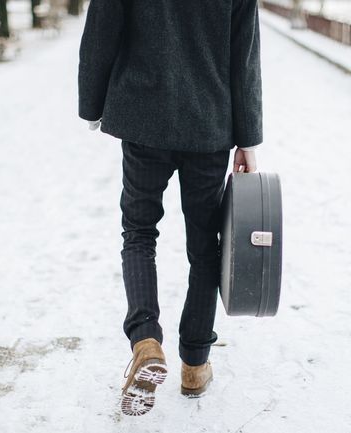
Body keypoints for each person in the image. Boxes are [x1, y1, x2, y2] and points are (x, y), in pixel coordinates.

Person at [78, 0, 262, 417]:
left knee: (139, 233)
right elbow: (244, 53)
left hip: (143, 117)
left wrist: (91, 105)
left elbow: (101, 32)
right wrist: (248, 138)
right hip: (209, 122)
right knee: (206, 244)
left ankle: (146, 340)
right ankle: (195, 364)